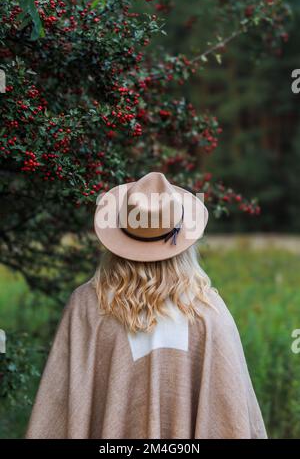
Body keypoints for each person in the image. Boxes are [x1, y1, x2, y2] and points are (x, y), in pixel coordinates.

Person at [26, 172, 267, 439]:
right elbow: (231, 418)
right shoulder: (209, 311)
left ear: (116, 240)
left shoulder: (86, 306)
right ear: (184, 242)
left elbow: (58, 411)